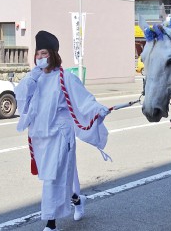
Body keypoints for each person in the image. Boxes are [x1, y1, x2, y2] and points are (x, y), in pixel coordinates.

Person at [15, 31, 111, 231]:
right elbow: (22, 101)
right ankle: (77, 200)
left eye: (44, 53)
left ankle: (51, 223)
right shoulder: (35, 79)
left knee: (53, 178)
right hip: (41, 137)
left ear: (53, 54)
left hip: (61, 135)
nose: (41, 58)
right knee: (60, 176)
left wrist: (97, 110)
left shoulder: (65, 77)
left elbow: (83, 99)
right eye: (38, 54)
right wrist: (31, 79)